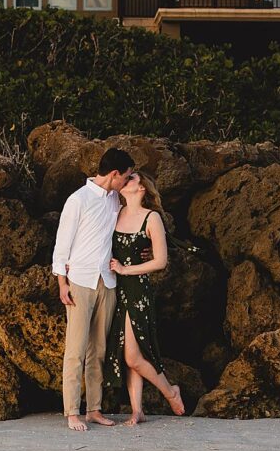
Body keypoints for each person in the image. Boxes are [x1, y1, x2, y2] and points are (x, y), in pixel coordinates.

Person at [52, 149, 132, 431]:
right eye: (126, 176)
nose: (127, 181)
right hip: (80, 282)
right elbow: (62, 245)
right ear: (114, 174)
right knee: (75, 351)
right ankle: (72, 411)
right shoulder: (78, 200)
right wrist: (61, 283)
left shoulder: (115, 199)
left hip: (107, 282)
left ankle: (94, 409)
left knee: (98, 350)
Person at [105, 171, 186, 425]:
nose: (125, 181)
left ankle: (170, 390)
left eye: (131, 179)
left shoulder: (152, 218)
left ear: (141, 189)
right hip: (116, 288)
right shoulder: (115, 212)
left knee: (132, 355)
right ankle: (137, 410)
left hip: (137, 289)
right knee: (130, 352)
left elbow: (160, 261)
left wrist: (126, 269)